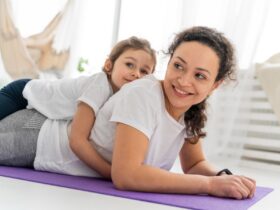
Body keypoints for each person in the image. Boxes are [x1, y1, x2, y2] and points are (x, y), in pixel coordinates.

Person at [0, 26, 256, 199]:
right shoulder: (143, 95)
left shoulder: (191, 110)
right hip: (37, 136)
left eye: (200, 75)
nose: (183, 81)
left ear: (215, 84)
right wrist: (210, 185)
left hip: (45, 143)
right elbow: (126, 175)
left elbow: (195, 164)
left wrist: (224, 177)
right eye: (178, 66)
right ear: (169, 62)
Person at [0, 36, 156, 178]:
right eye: (130, 64)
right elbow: (77, 140)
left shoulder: (122, 99)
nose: (136, 74)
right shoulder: (99, 85)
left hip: (39, 112)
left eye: (144, 71)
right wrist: (112, 173)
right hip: (22, 93)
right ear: (109, 65)